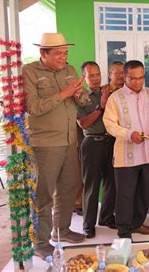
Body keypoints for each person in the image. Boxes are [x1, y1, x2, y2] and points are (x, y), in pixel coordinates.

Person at [23, 33, 91, 258]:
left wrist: (80, 94)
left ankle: (61, 230)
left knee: (69, 187)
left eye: (65, 53)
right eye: (58, 54)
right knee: (44, 193)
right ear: (43, 54)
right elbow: (33, 107)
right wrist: (64, 93)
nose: (63, 58)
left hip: (71, 140)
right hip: (45, 144)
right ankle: (40, 243)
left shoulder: (70, 70)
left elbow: (81, 101)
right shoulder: (30, 72)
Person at [103, 60, 149, 239]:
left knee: (144, 193)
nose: (138, 82)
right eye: (133, 78)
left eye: (141, 78)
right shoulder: (115, 98)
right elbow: (109, 124)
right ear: (124, 76)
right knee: (125, 194)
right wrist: (129, 134)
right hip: (126, 155)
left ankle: (137, 223)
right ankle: (124, 230)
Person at [77, 61, 116, 239]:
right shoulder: (80, 96)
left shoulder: (109, 92)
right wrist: (101, 106)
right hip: (92, 143)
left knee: (111, 183)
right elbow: (83, 123)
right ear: (84, 78)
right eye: (90, 75)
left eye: (97, 74)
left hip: (111, 142)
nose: (95, 78)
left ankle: (107, 217)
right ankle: (88, 225)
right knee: (91, 186)